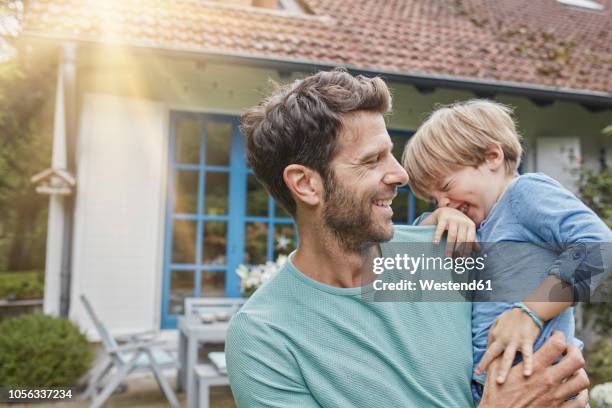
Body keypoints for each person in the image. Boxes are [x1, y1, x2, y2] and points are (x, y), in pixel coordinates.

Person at [225, 69, 589, 407]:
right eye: (373, 160)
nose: (400, 175)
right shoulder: (266, 336)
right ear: (306, 184)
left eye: (392, 156)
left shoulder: (447, 248)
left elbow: (588, 260)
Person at [402, 99, 610, 404]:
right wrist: (436, 219)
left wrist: (530, 312)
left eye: (446, 186)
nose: (443, 203)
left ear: (492, 157)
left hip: (547, 385)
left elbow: (599, 247)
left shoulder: (524, 195)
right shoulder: (473, 225)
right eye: (434, 199)